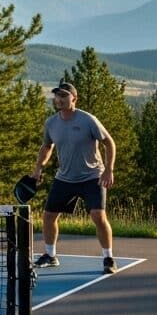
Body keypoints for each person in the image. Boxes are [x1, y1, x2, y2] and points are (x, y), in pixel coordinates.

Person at [31, 81, 117, 274]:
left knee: (98, 216)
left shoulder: (88, 120)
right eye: (57, 96)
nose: (59, 99)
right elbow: (46, 147)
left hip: (92, 176)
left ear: (74, 99)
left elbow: (109, 143)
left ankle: (108, 258)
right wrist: (38, 169)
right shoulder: (51, 123)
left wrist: (108, 170)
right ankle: (50, 255)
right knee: (49, 216)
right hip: (65, 178)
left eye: (64, 96)